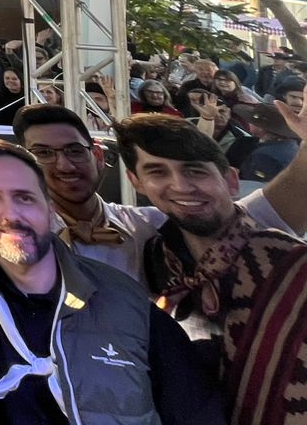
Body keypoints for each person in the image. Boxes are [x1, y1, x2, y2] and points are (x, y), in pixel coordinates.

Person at [0, 15, 307, 284]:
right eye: (43, 154)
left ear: (99, 156)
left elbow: (263, 214)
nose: (62, 163)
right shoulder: (5, 211)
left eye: (74, 151)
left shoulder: (145, 228)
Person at [0, 138, 225, 425]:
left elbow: (196, 410)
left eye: (24, 197)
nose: (11, 215)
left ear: (50, 206)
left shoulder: (124, 302)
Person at [116, 113, 307, 425]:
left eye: (195, 171)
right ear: (135, 181)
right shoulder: (154, 259)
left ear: (231, 180)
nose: (181, 186)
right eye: (157, 172)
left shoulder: (289, 262)